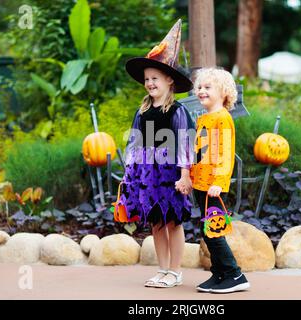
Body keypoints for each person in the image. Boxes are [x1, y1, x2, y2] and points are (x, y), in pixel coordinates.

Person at [121, 19, 194, 288]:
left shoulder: (177, 112)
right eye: (147, 79)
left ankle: (175, 270)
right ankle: (162, 269)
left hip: (172, 173)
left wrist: (186, 175)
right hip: (148, 174)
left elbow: (186, 144)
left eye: (155, 78)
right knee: (156, 222)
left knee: (172, 222)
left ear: (169, 80)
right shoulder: (142, 112)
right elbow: (134, 145)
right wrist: (129, 174)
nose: (150, 83)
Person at [190, 68, 250, 293]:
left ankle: (235, 275)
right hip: (201, 183)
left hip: (214, 185)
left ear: (224, 92)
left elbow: (225, 154)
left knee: (214, 230)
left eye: (208, 87)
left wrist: (219, 180)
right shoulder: (204, 118)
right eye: (200, 87)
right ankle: (219, 274)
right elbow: (199, 151)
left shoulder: (223, 119)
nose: (201, 91)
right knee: (207, 230)